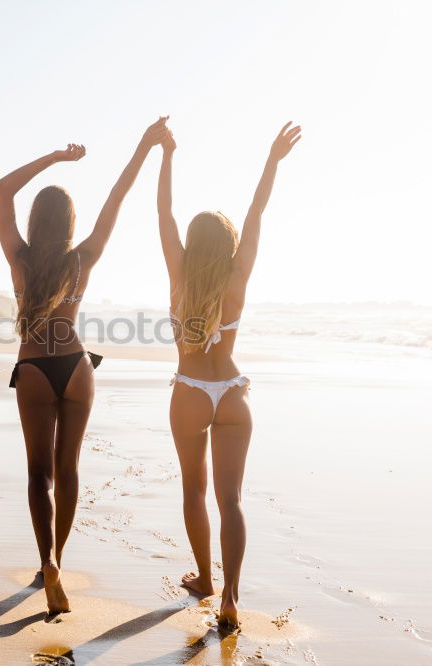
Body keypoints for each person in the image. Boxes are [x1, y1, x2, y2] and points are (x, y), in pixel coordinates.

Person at [0, 118, 169, 616]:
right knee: (68, 467)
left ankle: (45, 558)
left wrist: (54, 158)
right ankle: (59, 562)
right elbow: (118, 195)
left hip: (32, 368)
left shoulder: (20, 259)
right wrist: (143, 146)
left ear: (34, 222)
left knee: (37, 472)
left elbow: (4, 189)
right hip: (75, 364)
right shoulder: (83, 259)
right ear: (70, 224)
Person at [155, 121, 302, 630]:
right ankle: (231, 597)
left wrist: (165, 156)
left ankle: (204, 578)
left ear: (193, 247)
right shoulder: (238, 278)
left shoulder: (178, 273)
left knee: (194, 490)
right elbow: (256, 212)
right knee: (231, 500)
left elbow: (164, 215)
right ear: (229, 246)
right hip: (235, 394)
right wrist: (272, 161)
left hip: (191, 391)